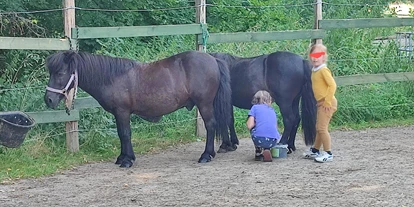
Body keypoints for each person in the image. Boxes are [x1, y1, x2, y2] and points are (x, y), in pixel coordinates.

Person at [303, 43, 338, 163]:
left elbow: (332, 85)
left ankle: (328, 153)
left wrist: (327, 101)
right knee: (318, 127)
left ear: (324, 57)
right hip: (322, 102)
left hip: (328, 103)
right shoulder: (315, 70)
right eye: (313, 55)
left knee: (322, 128)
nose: (315, 57)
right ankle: (315, 150)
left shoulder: (323, 70)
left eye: (319, 55)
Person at [246, 90, 281, 162]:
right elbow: (276, 127)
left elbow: (250, 125)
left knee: (253, 129)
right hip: (273, 140)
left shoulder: (255, 108)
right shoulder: (272, 110)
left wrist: (255, 123)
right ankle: (267, 149)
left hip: (259, 139)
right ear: (269, 100)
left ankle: (258, 152)